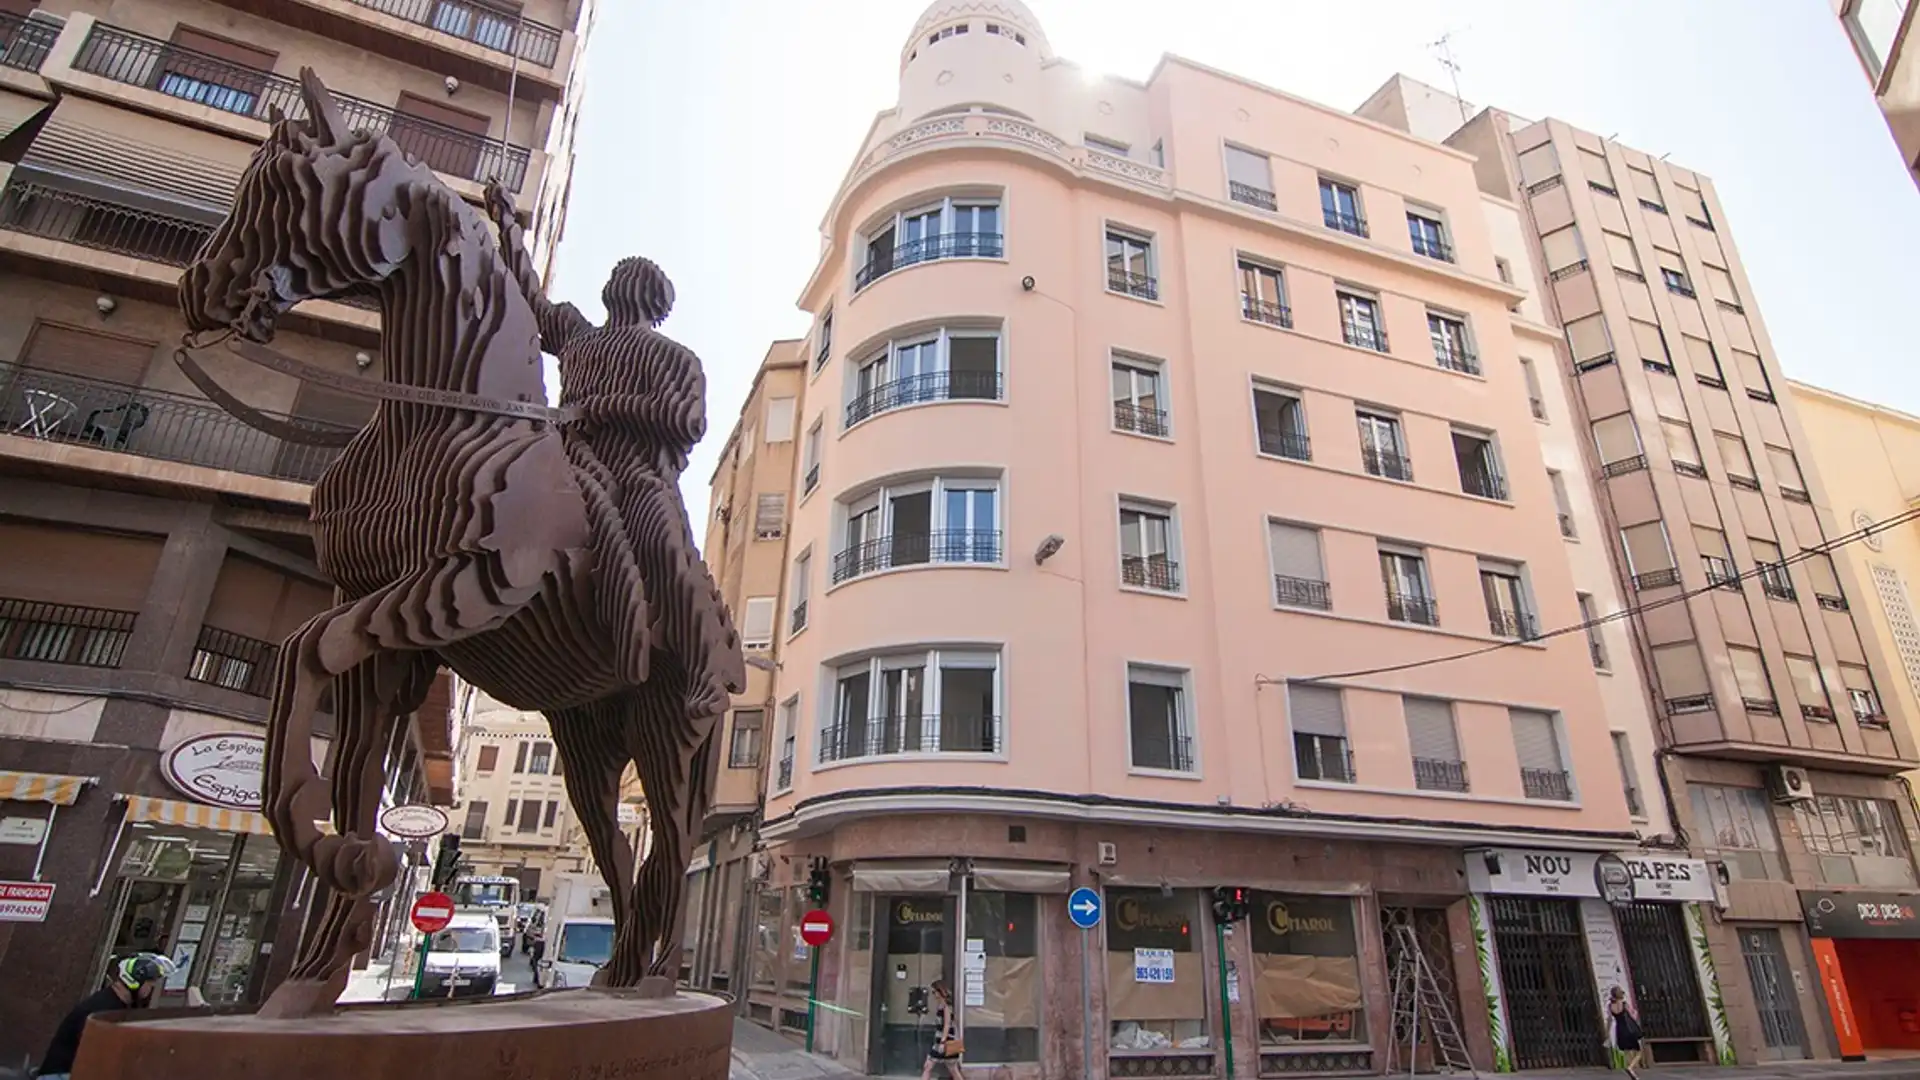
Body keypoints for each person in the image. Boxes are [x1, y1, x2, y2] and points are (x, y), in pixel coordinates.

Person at [36, 953, 173, 1079]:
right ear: (136, 981)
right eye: (150, 984)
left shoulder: (118, 1005)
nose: (151, 989)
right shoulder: (103, 1009)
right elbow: (95, 1052)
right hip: (61, 1074)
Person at [921, 979, 963, 1080]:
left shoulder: (946, 1006)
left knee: (929, 1066)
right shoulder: (942, 1006)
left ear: (940, 992)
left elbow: (947, 1025)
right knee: (952, 1069)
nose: (933, 995)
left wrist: (942, 1042)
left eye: (934, 992)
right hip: (944, 1041)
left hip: (945, 1041)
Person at [1608, 985, 1643, 1080]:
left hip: (1620, 1030)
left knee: (1627, 1051)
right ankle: (1631, 1067)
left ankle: (1632, 1072)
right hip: (1629, 1029)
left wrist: (1608, 1034)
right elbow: (1633, 1015)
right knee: (1639, 1051)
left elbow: (1609, 1020)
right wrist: (1635, 1013)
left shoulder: (1610, 1006)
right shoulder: (1624, 1004)